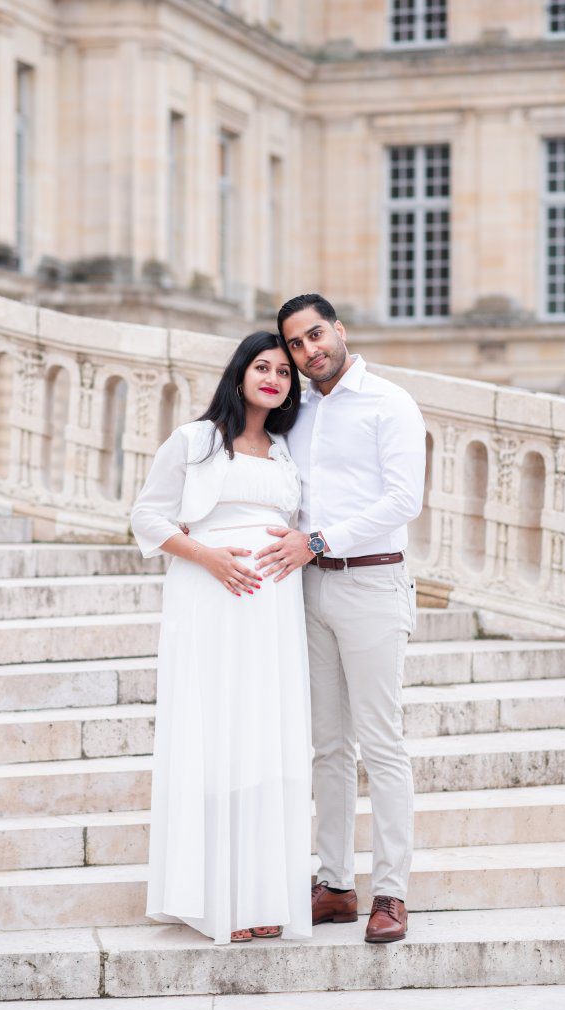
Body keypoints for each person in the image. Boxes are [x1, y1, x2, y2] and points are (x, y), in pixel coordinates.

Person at [130, 331, 312, 946]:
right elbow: (147, 518)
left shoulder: (287, 451)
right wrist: (208, 557)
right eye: (262, 367)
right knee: (215, 734)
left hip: (275, 607)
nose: (274, 378)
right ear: (239, 375)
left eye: (284, 372)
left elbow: (298, 526)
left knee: (266, 740)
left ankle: (261, 892)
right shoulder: (195, 440)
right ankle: (212, 896)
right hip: (211, 597)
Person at [255, 294, 426, 944]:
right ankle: (333, 884)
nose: (308, 351)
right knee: (326, 745)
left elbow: (403, 499)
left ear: (339, 330)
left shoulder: (389, 403)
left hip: (373, 582)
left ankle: (391, 893)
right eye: (295, 344)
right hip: (307, 589)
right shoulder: (293, 415)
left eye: (315, 335)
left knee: (381, 743)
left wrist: (320, 540)